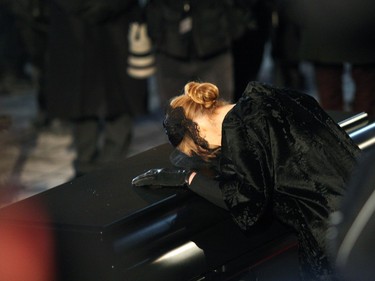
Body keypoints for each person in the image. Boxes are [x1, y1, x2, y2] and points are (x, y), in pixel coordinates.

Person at [132, 80, 361, 280]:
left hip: (332, 235)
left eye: (195, 150)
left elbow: (247, 203)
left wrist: (188, 178)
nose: (208, 153)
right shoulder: (267, 96)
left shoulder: (239, 130)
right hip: (361, 204)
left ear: (197, 130)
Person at [44, 0, 149, 177]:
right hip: (77, 30)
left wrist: (103, 6)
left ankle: (110, 167)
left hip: (114, 26)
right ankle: (87, 167)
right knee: (81, 101)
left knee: (119, 97)